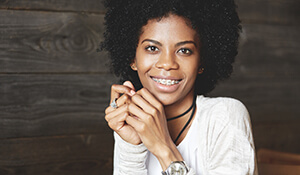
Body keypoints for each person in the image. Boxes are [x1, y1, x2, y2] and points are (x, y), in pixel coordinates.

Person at [101, 0, 258, 174]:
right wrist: (132, 146)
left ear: (201, 62)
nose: (167, 64)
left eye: (184, 51)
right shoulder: (133, 121)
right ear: (132, 58)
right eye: (152, 48)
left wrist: (164, 149)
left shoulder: (225, 115)